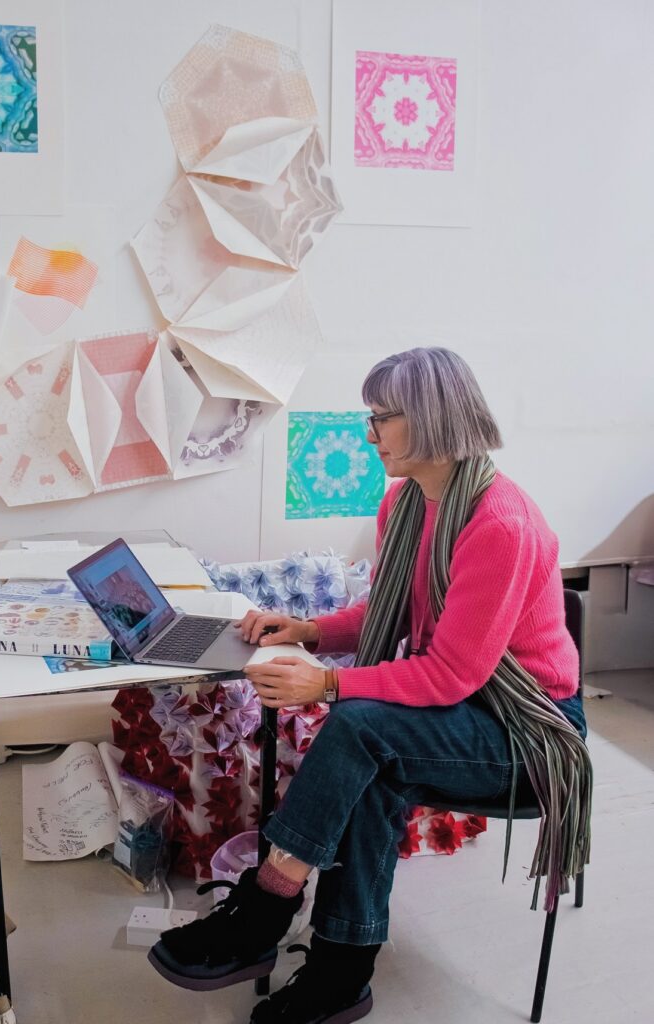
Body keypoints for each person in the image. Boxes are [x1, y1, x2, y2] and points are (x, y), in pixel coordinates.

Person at [147, 347, 592, 1024]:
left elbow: (449, 673)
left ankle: (265, 907)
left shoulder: (500, 525)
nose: (368, 433)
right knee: (371, 761)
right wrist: (305, 630)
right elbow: (387, 609)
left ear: (433, 419)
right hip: (467, 712)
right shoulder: (405, 504)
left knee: (359, 725)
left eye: (381, 417)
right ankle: (341, 971)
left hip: (526, 733)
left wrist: (325, 684)